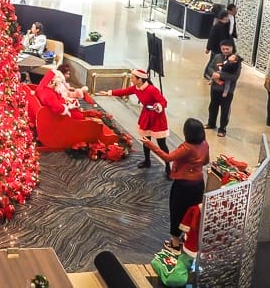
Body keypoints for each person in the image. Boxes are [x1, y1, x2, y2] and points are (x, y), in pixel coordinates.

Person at [141, 118, 209, 252]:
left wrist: (150, 145)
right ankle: (187, 237)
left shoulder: (186, 148)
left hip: (184, 184)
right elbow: (206, 161)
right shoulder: (205, 144)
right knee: (192, 211)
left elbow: (167, 157)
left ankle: (175, 243)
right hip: (199, 183)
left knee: (177, 210)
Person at [98, 69, 170, 175]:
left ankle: (168, 167)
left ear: (140, 79)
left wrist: (158, 106)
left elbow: (163, 101)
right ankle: (147, 161)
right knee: (146, 140)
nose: (131, 79)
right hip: (146, 115)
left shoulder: (151, 89)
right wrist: (109, 93)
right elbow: (124, 91)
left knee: (161, 144)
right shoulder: (136, 88)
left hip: (157, 117)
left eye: (132, 78)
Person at [206, 40, 242, 137]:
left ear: (232, 48)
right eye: (223, 49)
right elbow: (209, 68)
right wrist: (213, 73)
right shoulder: (217, 57)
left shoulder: (236, 61)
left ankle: (222, 129)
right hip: (215, 88)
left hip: (227, 91)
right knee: (213, 106)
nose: (225, 51)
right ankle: (211, 123)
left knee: (225, 110)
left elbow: (234, 77)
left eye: (227, 49)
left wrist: (220, 75)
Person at [203, 10, 231, 79]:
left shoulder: (226, 24)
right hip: (215, 47)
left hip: (222, 47)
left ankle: (215, 74)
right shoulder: (217, 26)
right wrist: (208, 48)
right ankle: (207, 73)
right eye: (226, 17)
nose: (227, 18)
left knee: (218, 61)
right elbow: (211, 38)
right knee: (212, 61)